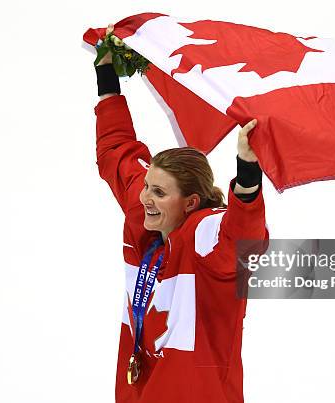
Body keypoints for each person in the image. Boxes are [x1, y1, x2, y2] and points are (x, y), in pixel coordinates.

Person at [92, 24, 268, 403]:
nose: (144, 198)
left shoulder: (205, 236)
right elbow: (117, 152)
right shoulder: (146, 218)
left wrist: (248, 173)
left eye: (158, 192)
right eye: (146, 187)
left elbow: (243, 236)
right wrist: (106, 75)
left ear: (190, 202)